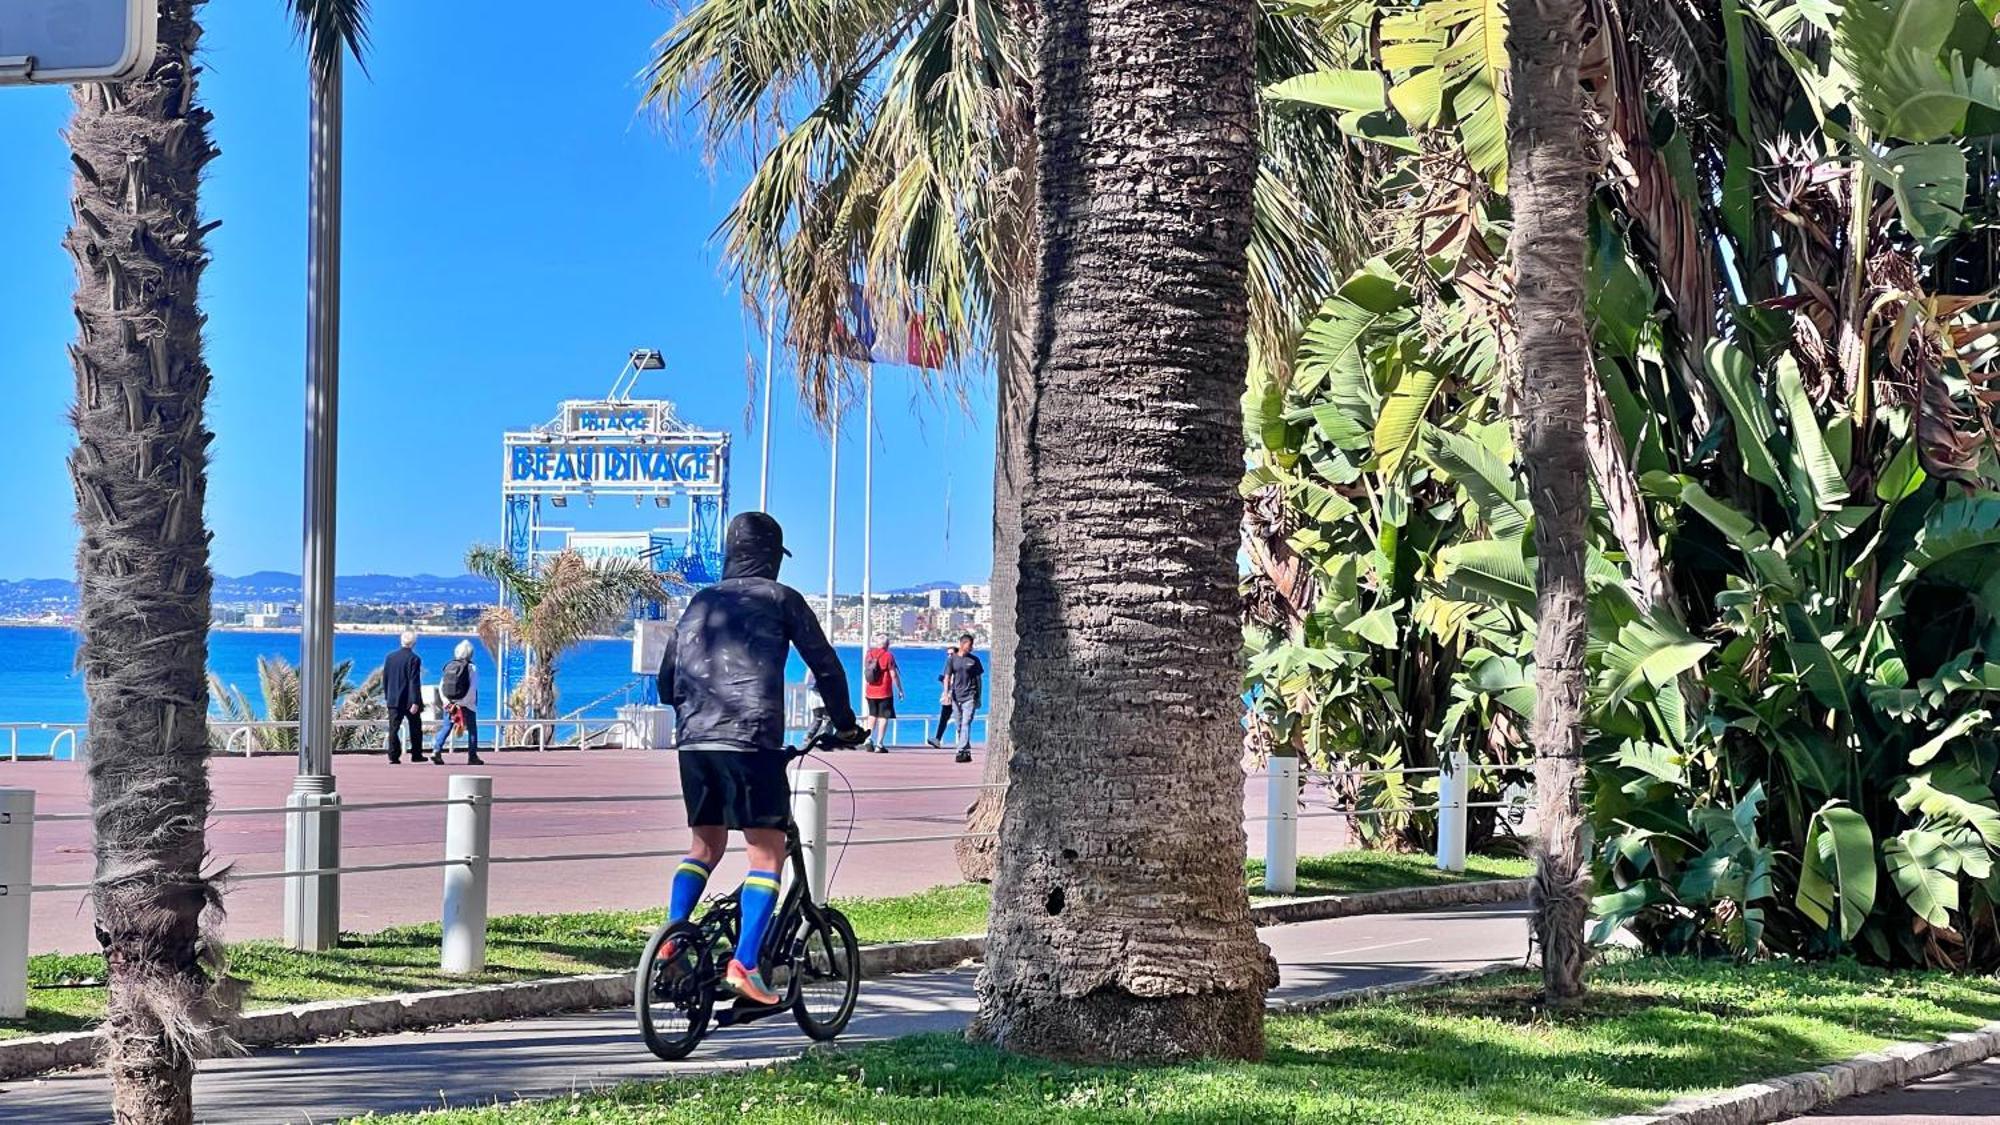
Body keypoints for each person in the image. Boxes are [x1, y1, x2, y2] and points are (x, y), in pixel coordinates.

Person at [656, 512, 867, 1005]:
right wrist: (847, 724)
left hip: (694, 744)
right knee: (767, 854)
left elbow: (667, 683)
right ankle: (746, 963)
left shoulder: (701, 601)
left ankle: (673, 936)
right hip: (751, 741)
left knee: (704, 845)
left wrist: (696, 711)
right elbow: (827, 668)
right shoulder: (781, 599)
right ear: (772, 556)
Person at [432, 639, 486, 766]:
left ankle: (436, 749)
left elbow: (442, 686)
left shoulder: (449, 665)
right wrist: (463, 703)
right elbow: (472, 687)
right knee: (472, 729)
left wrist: (447, 702)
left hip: (450, 704)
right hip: (467, 705)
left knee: (447, 727)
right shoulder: (471, 667)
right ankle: (472, 756)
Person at [382, 632, 426, 764]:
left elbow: (386, 679)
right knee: (415, 727)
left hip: (393, 699)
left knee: (393, 728)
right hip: (408, 700)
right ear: (414, 643)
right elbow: (414, 681)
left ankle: (393, 755)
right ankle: (416, 754)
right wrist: (415, 701)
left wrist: (387, 696)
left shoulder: (390, 657)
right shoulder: (414, 659)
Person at [941, 633, 983, 764]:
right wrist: (946, 693)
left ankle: (960, 750)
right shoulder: (952, 659)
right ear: (962, 644)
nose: (971, 648)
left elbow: (979, 680)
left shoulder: (974, 660)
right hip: (955, 696)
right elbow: (947, 677)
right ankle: (966, 751)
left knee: (966, 723)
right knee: (959, 725)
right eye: (970, 645)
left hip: (969, 696)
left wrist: (979, 697)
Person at [860, 633, 905, 752]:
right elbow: (893, 675)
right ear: (887, 645)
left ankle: (868, 739)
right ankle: (879, 744)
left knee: (872, 715)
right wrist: (900, 690)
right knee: (883, 716)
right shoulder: (888, 656)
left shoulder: (868, 654)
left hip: (870, 690)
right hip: (884, 691)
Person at [925, 645, 956, 749]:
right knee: (944, 718)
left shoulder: (959, 667)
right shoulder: (948, 667)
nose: (949, 656)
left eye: (951, 654)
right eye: (948, 654)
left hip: (957, 696)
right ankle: (938, 739)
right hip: (948, 696)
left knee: (961, 719)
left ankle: (964, 741)